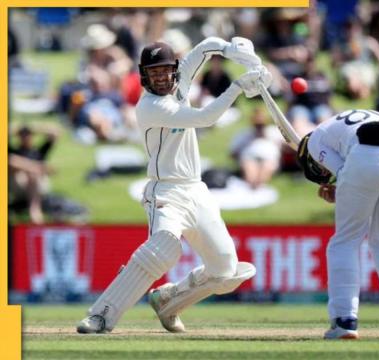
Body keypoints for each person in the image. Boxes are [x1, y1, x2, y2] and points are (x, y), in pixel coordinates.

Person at [77, 37, 272, 334]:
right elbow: (206, 117)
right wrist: (238, 87)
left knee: (226, 271)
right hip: (165, 191)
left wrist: (234, 51)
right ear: (144, 76)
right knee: (164, 247)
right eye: (154, 73)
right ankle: (101, 314)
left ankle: (168, 301)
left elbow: (204, 48)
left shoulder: (180, 83)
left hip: (196, 190)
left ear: (174, 70)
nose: (161, 77)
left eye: (165, 70)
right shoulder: (150, 106)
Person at [296, 109, 379, 340]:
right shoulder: (343, 122)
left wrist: (342, 190)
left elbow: (349, 171)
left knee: (344, 241)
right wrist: (344, 187)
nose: (324, 174)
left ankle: (344, 320)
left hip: (366, 157)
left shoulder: (315, 141)